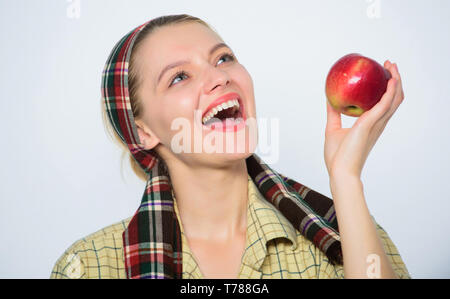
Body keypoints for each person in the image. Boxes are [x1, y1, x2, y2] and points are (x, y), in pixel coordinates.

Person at [50, 14, 409, 279]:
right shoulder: (90, 265)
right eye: (179, 77)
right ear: (142, 131)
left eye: (223, 58)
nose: (220, 77)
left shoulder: (344, 229)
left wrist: (346, 178)